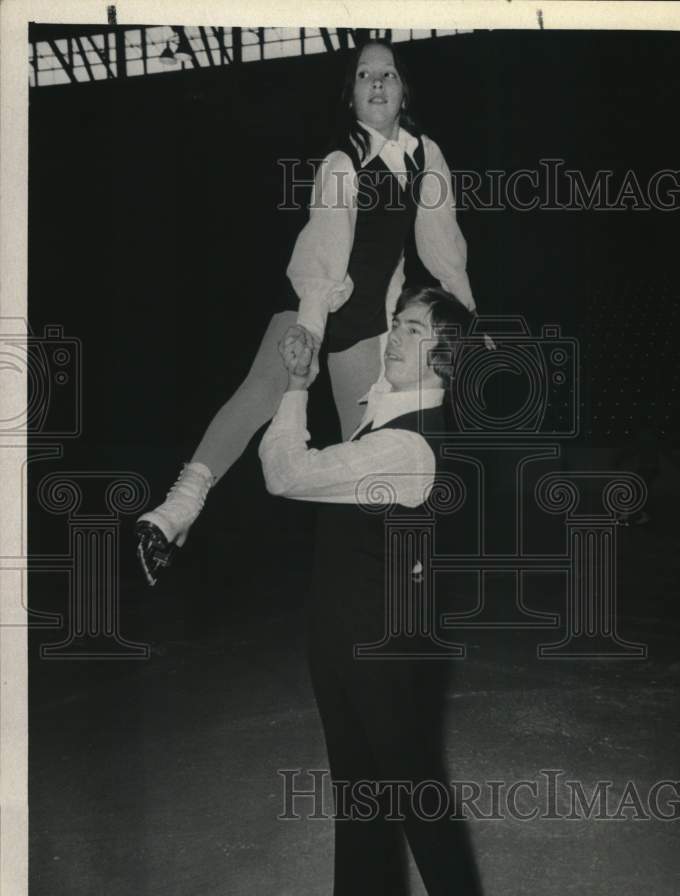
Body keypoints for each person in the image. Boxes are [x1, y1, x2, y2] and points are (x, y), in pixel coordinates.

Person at [136, 40, 476, 585]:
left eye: (387, 73)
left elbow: (441, 247)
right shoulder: (342, 162)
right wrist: (309, 334)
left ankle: (403, 556)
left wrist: (466, 316)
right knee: (258, 394)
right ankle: (176, 511)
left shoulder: (424, 156)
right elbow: (324, 255)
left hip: (367, 321)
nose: (378, 84)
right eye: (365, 75)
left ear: (403, 86)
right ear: (353, 97)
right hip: (315, 302)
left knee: (365, 445)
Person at [259, 285, 494, 896]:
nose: (395, 337)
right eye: (397, 324)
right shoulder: (380, 419)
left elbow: (284, 474)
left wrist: (295, 392)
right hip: (340, 631)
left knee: (416, 793)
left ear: (444, 357)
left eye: (415, 330)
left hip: (386, 649)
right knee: (356, 780)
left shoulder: (405, 446)